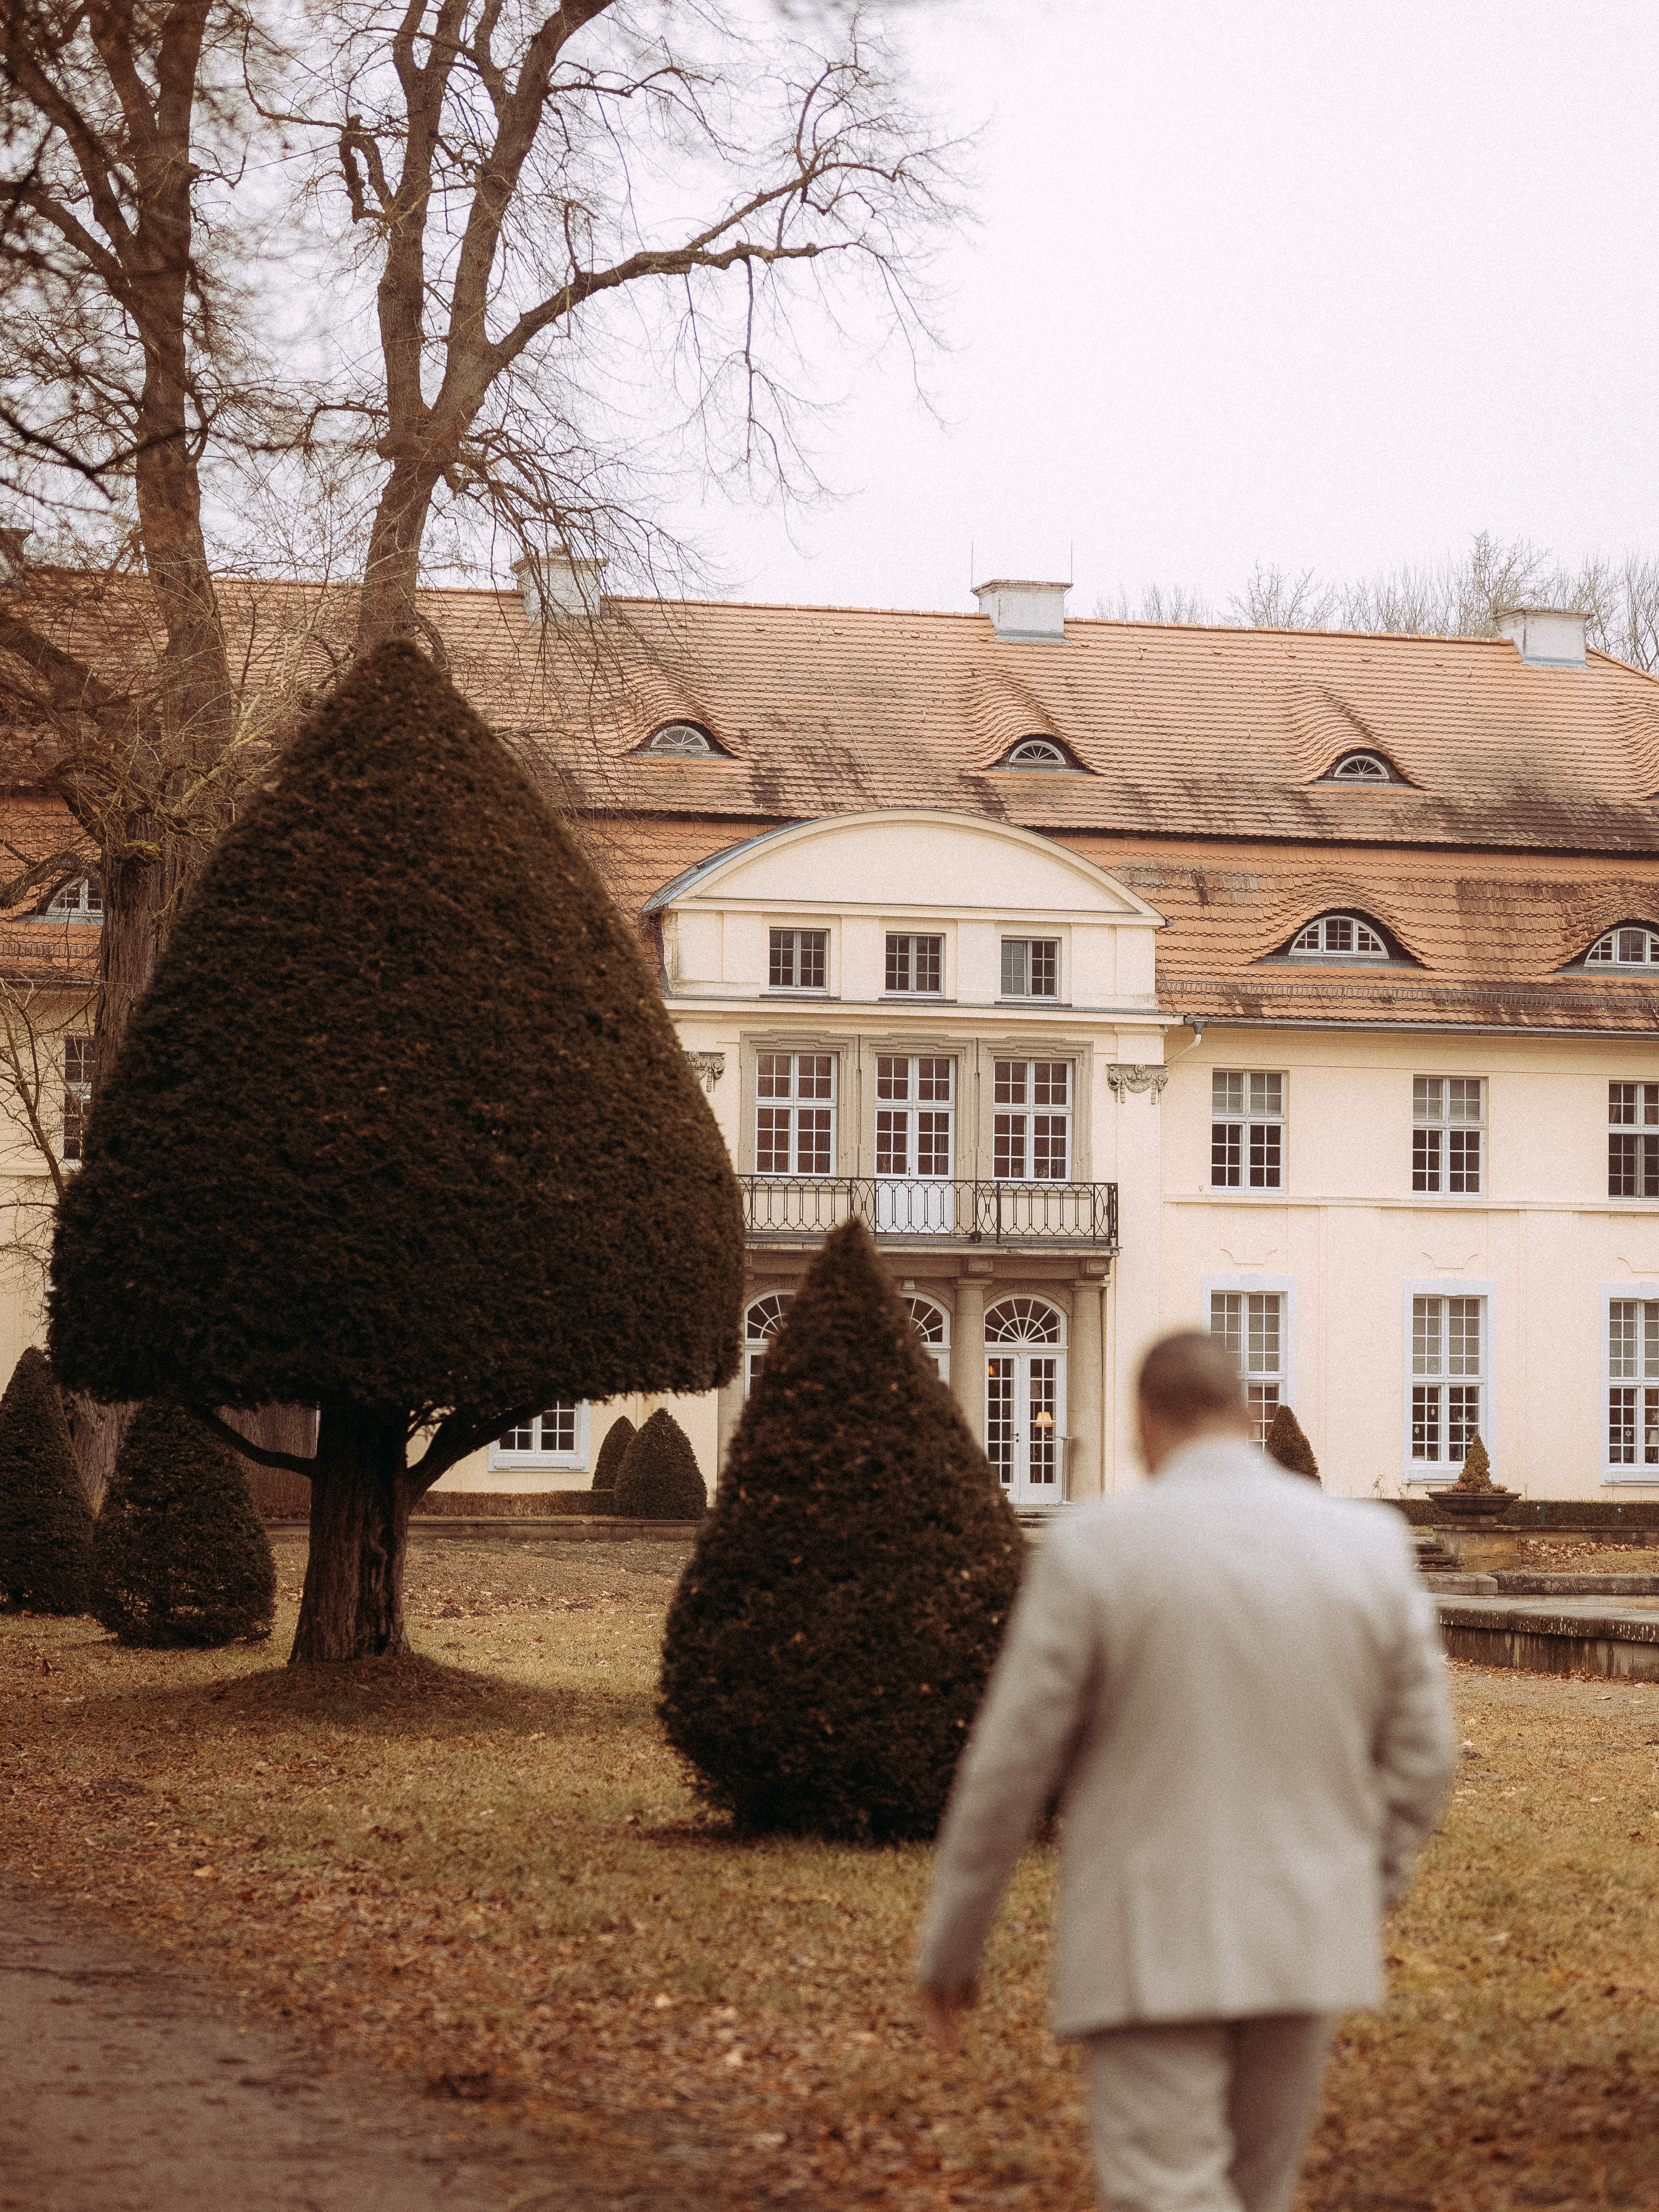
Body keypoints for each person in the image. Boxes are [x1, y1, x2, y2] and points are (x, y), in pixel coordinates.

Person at [916, 1329, 1455, 2212]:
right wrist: (1362, 1884)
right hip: (1308, 1925)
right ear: (1250, 1416)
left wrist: (953, 1943)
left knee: (1166, 2191)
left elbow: (1010, 1765)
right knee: (1257, 2189)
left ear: (1141, 1420)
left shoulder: (1094, 1547)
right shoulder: (1367, 1543)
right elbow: (1426, 1754)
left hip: (1147, 1933)